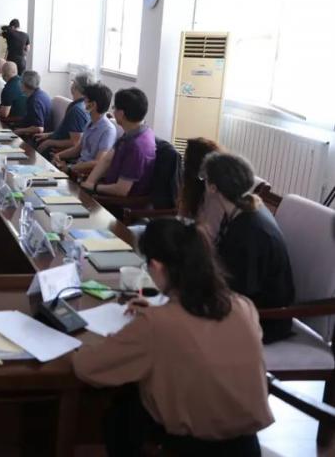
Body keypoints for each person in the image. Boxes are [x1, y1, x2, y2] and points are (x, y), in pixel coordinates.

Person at [73, 218, 272, 456]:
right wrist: (156, 314)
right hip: (247, 447)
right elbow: (205, 339)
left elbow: (87, 367)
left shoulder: (156, 325)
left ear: (156, 266)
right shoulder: (243, 306)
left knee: (121, 410)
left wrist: (78, 345)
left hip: (190, 449)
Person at [201, 152, 294, 343]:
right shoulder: (244, 208)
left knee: (178, 323)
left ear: (213, 187)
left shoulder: (250, 231)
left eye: (205, 179)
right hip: (247, 304)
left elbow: (240, 291)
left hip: (264, 320)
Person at [81, 87, 155, 197]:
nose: (113, 111)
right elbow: (106, 160)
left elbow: (121, 190)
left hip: (117, 202)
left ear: (121, 114)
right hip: (105, 187)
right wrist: (88, 183)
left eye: (114, 108)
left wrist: (93, 187)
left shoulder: (137, 146)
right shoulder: (132, 132)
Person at [52, 83, 118, 177]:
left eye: (85, 100)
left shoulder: (108, 130)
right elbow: (78, 149)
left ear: (93, 105)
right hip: (77, 167)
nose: (83, 103)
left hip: (85, 174)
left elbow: (98, 162)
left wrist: (70, 168)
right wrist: (59, 155)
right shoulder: (90, 123)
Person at [34, 71, 93, 155]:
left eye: (73, 82)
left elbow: (75, 142)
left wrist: (49, 142)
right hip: (53, 140)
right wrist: (48, 135)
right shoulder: (81, 105)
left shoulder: (77, 110)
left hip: (57, 150)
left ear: (75, 86)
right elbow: (68, 132)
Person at [178, 138, 224, 243]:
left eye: (186, 161)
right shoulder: (194, 187)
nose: (183, 165)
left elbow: (210, 235)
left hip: (203, 244)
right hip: (192, 237)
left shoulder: (215, 194)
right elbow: (183, 217)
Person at [12, 71, 53, 138]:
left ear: (24, 84)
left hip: (36, 138)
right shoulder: (42, 94)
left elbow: (39, 128)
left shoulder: (35, 101)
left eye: (21, 82)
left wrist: (19, 131)